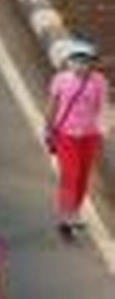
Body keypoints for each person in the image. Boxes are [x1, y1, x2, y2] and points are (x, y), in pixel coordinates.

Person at [45, 39, 108, 239]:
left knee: (82, 176)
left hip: (89, 136)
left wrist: (102, 132)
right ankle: (66, 217)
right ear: (69, 61)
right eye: (77, 60)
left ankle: (75, 211)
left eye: (86, 60)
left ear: (92, 63)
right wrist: (48, 129)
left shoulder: (99, 81)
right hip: (66, 135)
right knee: (70, 175)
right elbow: (52, 106)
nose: (81, 64)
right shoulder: (61, 80)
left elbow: (101, 108)